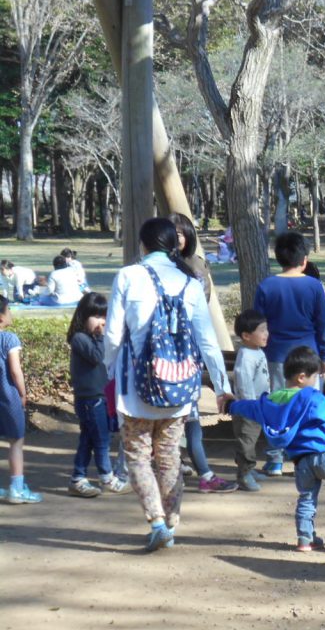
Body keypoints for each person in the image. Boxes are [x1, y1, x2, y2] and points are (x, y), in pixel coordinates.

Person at [103, 217, 233, 551]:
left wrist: (109, 371)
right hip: (179, 389)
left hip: (135, 390)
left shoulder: (129, 277)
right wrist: (221, 386)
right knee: (169, 456)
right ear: (174, 246)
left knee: (137, 455)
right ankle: (172, 521)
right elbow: (207, 341)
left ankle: (157, 522)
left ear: (142, 245)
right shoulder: (190, 283)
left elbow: (114, 335)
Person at [223, 346, 325, 552]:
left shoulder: (272, 401)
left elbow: (250, 407)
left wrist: (230, 406)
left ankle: (305, 538)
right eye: (314, 377)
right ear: (302, 377)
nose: (316, 382)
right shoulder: (314, 398)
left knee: (306, 497)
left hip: (301, 461)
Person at [253, 231, 325, 476]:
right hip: (309, 356)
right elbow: (322, 324)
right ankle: (310, 457)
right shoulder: (314, 286)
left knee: (279, 405)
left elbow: (259, 323)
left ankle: (275, 459)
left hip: (276, 355)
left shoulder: (266, 286)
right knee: (310, 407)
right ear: (304, 260)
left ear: (278, 258)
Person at [169, 213, 237, 494]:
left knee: (189, 416)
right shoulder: (148, 272)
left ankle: (199, 470)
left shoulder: (196, 267)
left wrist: (222, 384)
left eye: (180, 234)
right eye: (171, 234)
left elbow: (202, 318)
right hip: (165, 361)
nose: (176, 240)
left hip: (187, 355)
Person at [66, 292, 129, 497]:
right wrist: (103, 336)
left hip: (98, 398)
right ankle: (107, 477)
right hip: (89, 399)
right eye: (96, 316)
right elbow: (97, 357)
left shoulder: (94, 338)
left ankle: (78, 477)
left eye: (104, 317)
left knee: (88, 439)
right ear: (83, 316)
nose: (101, 321)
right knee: (101, 439)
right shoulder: (80, 338)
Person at [0, 296, 41, 503]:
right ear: (1, 317)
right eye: (8, 310)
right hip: (7, 397)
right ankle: (16, 488)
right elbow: (15, 371)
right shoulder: (9, 339)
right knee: (16, 442)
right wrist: (23, 393)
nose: (11, 313)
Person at [231, 309, 270, 492]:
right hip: (248, 408)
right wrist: (250, 405)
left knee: (251, 439)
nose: (266, 334)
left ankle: (249, 469)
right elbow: (244, 381)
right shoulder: (246, 356)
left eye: (266, 329)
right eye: (261, 330)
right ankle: (244, 475)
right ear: (246, 335)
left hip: (258, 405)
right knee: (246, 440)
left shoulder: (258, 352)